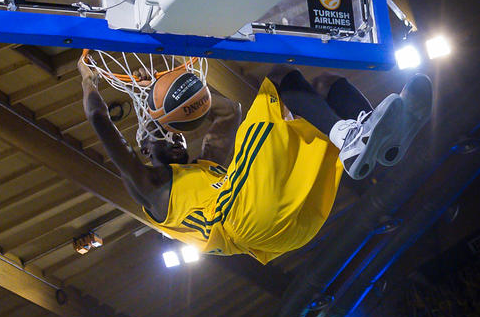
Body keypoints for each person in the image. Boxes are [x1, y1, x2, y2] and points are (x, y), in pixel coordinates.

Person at [78, 57, 431, 263]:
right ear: (144, 151)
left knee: (325, 85)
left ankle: (375, 139)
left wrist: (168, 93)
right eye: (161, 133)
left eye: (176, 132)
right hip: (243, 218)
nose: (174, 136)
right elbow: (97, 118)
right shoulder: (153, 188)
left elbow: (228, 111)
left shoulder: (207, 165)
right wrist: (88, 81)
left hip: (291, 232)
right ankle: (354, 139)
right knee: (278, 79)